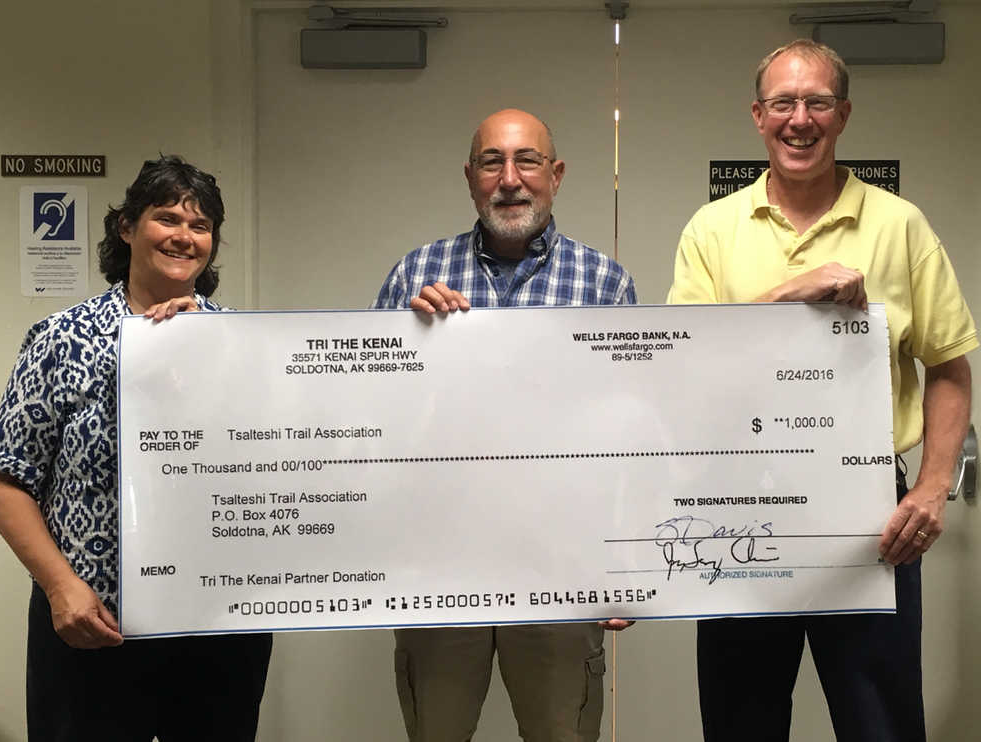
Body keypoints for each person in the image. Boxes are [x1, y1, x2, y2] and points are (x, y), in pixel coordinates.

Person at [667, 39, 976, 742]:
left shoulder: (901, 225)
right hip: (738, 508)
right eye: (783, 103)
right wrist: (788, 297)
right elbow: (685, 370)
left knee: (881, 725)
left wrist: (930, 489)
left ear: (843, 115)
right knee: (743, 724)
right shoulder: (712, 231)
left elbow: (950, 367)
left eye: (816, 103)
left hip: (871, 517)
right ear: (757, 115)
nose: (798, 119)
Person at [0, 156, 272, 742]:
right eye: (167, 218)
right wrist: (62, 586)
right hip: (93, 622)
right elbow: (2, 477)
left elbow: (283, 462)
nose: (184, 237)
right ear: (127, 228)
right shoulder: (62, 338)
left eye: (200, 226)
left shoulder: (244, 343)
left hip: (216, 624)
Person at [373, 108, 636, 741]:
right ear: (470, 177)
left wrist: (629, 561)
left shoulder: (605, 283)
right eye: (492, 162)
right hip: (440, 566)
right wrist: (406, 342)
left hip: (559, 567)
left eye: (528, 161)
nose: (510, 179)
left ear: (557, 174)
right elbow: (373, 424)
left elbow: (627, 434)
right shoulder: (416, 277)